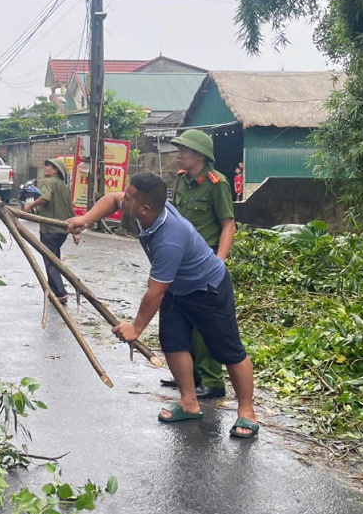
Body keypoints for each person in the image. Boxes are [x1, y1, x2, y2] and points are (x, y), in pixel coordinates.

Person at [68, 172, 259, 439]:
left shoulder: (170, 237)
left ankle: (247, 412)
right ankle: (189, 403)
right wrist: (84, 220)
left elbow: (154, 294)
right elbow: (112, 200)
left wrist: (135, 328)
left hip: (208, 289)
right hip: (177, 288)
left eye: (130, 197)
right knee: (173, 342)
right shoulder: (144, 208)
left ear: (144, 208)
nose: (125, 198)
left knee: (229, 350)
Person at [163, 129, 236, 400]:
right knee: (182, 319)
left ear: (200, 155)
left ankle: (213, 381)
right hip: (182, 261)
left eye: (184, 150)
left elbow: (228, 224)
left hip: (206, 262)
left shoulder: (217, 184)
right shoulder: (182, 181)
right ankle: (188, 376)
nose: (179, 155)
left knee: (206, 323)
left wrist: (220, 261)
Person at [23, 158, 76, 304]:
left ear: (56, 170)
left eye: (49, 166)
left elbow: (45, 198)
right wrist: (75, 231)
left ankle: (60, 292)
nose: (45, 168)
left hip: (49, 229)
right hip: (62, 230)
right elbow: (70, 208)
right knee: (55, 259)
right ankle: (53, 290)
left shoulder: (47, 182)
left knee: (50, 260)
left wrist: (30, 206)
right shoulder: (64, 187)